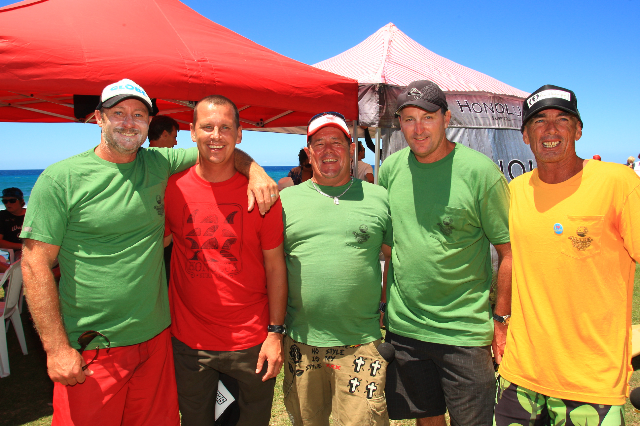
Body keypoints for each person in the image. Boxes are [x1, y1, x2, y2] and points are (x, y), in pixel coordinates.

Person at [19, 78, 278, 426]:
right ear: (98, 118)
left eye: (138, 115)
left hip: (157, 341)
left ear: (149, 123)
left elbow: (218, 147)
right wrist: (55, 347)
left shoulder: (157, 164)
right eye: (118, 113)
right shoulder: (61, 178)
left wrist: (255, 171)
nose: (129, 122)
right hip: (94, 344)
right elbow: (34, 263)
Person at [495, 85, 640, 425]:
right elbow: (511, 258)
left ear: (578, 130)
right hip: (521, 376)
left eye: (562, 119)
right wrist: (500, 322)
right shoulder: (515, 192)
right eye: (539, 121)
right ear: (525, 136)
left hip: (591, 382)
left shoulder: (618, 183)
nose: (550, 129)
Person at [378, 80, 512, 426]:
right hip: (406, 329)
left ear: (447, 118)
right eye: (409, 119)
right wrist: (384, 306)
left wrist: (500, 322)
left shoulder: (480, 172)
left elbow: (509, 251)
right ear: (399, 123)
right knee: (427, 419)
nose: (418, 129)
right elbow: (392, 248)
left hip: (463, 332)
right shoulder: (391, 170)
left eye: (428, 118)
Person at [164, 95, 288, 426]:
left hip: (251, 341)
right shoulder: (172, 188)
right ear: (192, 132)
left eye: (225, 128)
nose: (216, 136)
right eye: (207, 127)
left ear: (239, 134)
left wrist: (275, 333)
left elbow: (276, 268)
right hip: (190, 341)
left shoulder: (263, 195)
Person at [280, 111, 393, 426]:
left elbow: (394, 256)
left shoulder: (378, 197)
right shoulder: (285, 201)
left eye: (336, 142)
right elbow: (271, 265)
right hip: (302, 341)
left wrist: (386, 304)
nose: (328, 150)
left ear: (351, 148)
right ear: (309, 152)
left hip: (361, 342)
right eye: (319, 143)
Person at [0, 187, 26, 258]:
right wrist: (23, 246)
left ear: (21, 201)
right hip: (18, 252)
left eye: (12, 201)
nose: (8, 204)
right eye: (5, 201)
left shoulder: (32, 215)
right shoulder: (2, 216)